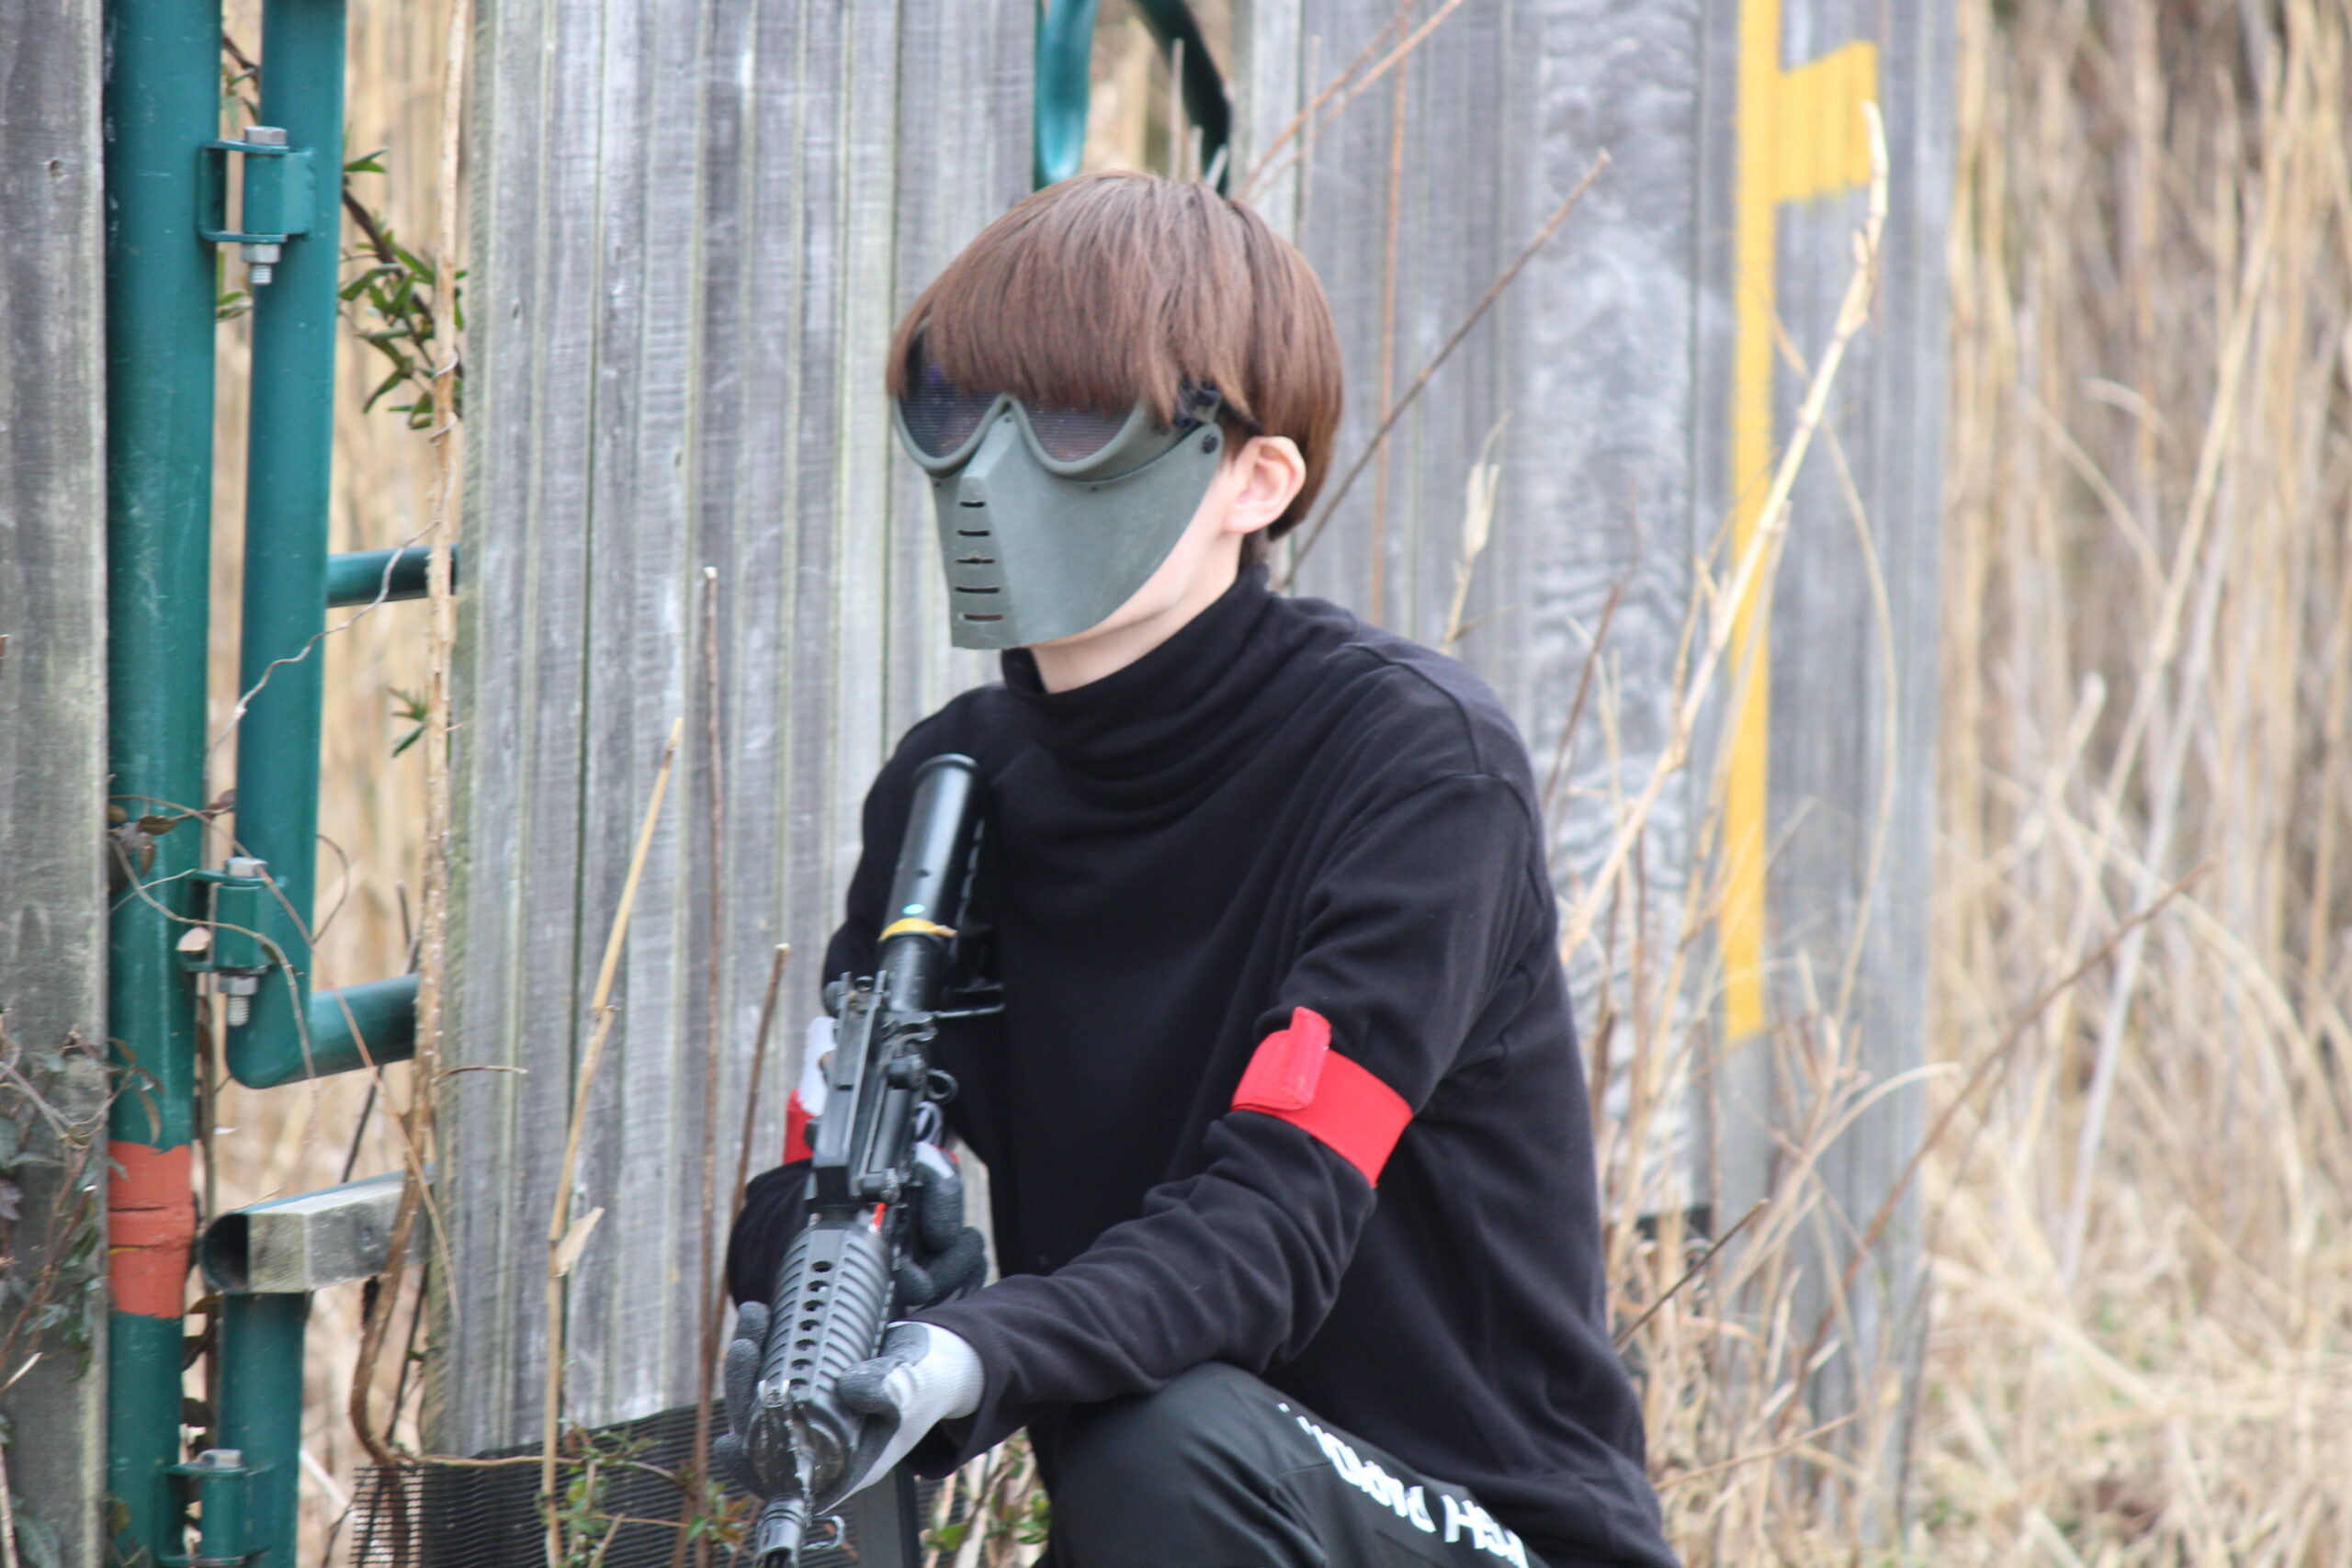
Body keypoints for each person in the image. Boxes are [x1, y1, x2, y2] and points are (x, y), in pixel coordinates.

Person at [721, 171, 1677, 1568]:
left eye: (1073, 421)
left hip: (1487, 1530)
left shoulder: (1417, 770)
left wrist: (975, 1356)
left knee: (1163, 1443)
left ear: (1254, 478)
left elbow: (1270, 1230)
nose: (991, 468)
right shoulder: (952, 789)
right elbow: (826, 1154)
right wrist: (841, 1284)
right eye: (954, 405)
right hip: (1173, 1516)